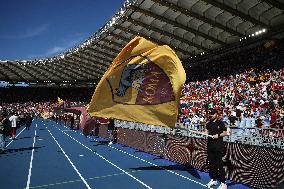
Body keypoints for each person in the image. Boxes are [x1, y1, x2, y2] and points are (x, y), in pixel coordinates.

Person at [204, 109, 229, 189]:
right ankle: (214, 179)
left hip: (218, 146)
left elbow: (225, 133)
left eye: (212, 114)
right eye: (210, 114)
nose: (210, 115)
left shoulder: (221, 123)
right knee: (212, 164)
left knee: (219, 164)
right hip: (210, 146)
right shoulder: (208, 124)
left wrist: (217, 135)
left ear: (216, 114)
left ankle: (223, 183)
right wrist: (204, 133)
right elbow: (206, 132)